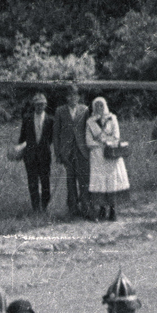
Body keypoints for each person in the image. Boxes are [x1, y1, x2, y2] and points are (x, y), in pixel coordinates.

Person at [85, 96, 131, 221]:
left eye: (101, 105)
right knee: (100, 182)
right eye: (96, 106)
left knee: (112, 180)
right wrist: (100, 144)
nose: (99, 108)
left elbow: (116, 136)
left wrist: (105, 141)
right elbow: (88, 141)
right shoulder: (90, 122)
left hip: (111, 153)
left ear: (105, 106)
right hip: (97, 156)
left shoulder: (112, 118)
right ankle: (101, 209)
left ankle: (113, 210)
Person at [56, 85, 93, 217]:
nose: (72, 98)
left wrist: (90, 149)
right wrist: (58, 154)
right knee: (70, 181)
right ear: (66, 97)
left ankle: (86, 208)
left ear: (79, 96)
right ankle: (73, 209)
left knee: (84, 180)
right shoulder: (60, 111)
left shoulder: (85, 109)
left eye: (75, 95)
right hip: (67, 151)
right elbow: (56, 134)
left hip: (82, 150)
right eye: (70, 95)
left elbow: (89, 129)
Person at [16, 92, 55, 214]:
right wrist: (20, 150)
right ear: (34, 105)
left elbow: (52, 138)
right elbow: (22, 138)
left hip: (44, 155)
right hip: (30, 155)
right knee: (32, 182)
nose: (39, 107)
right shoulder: (27, 118)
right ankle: (35, 208)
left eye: (42, 105)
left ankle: (45, 206)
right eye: (37, 105)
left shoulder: (50, 120)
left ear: (45, 105)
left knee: (45, 182)